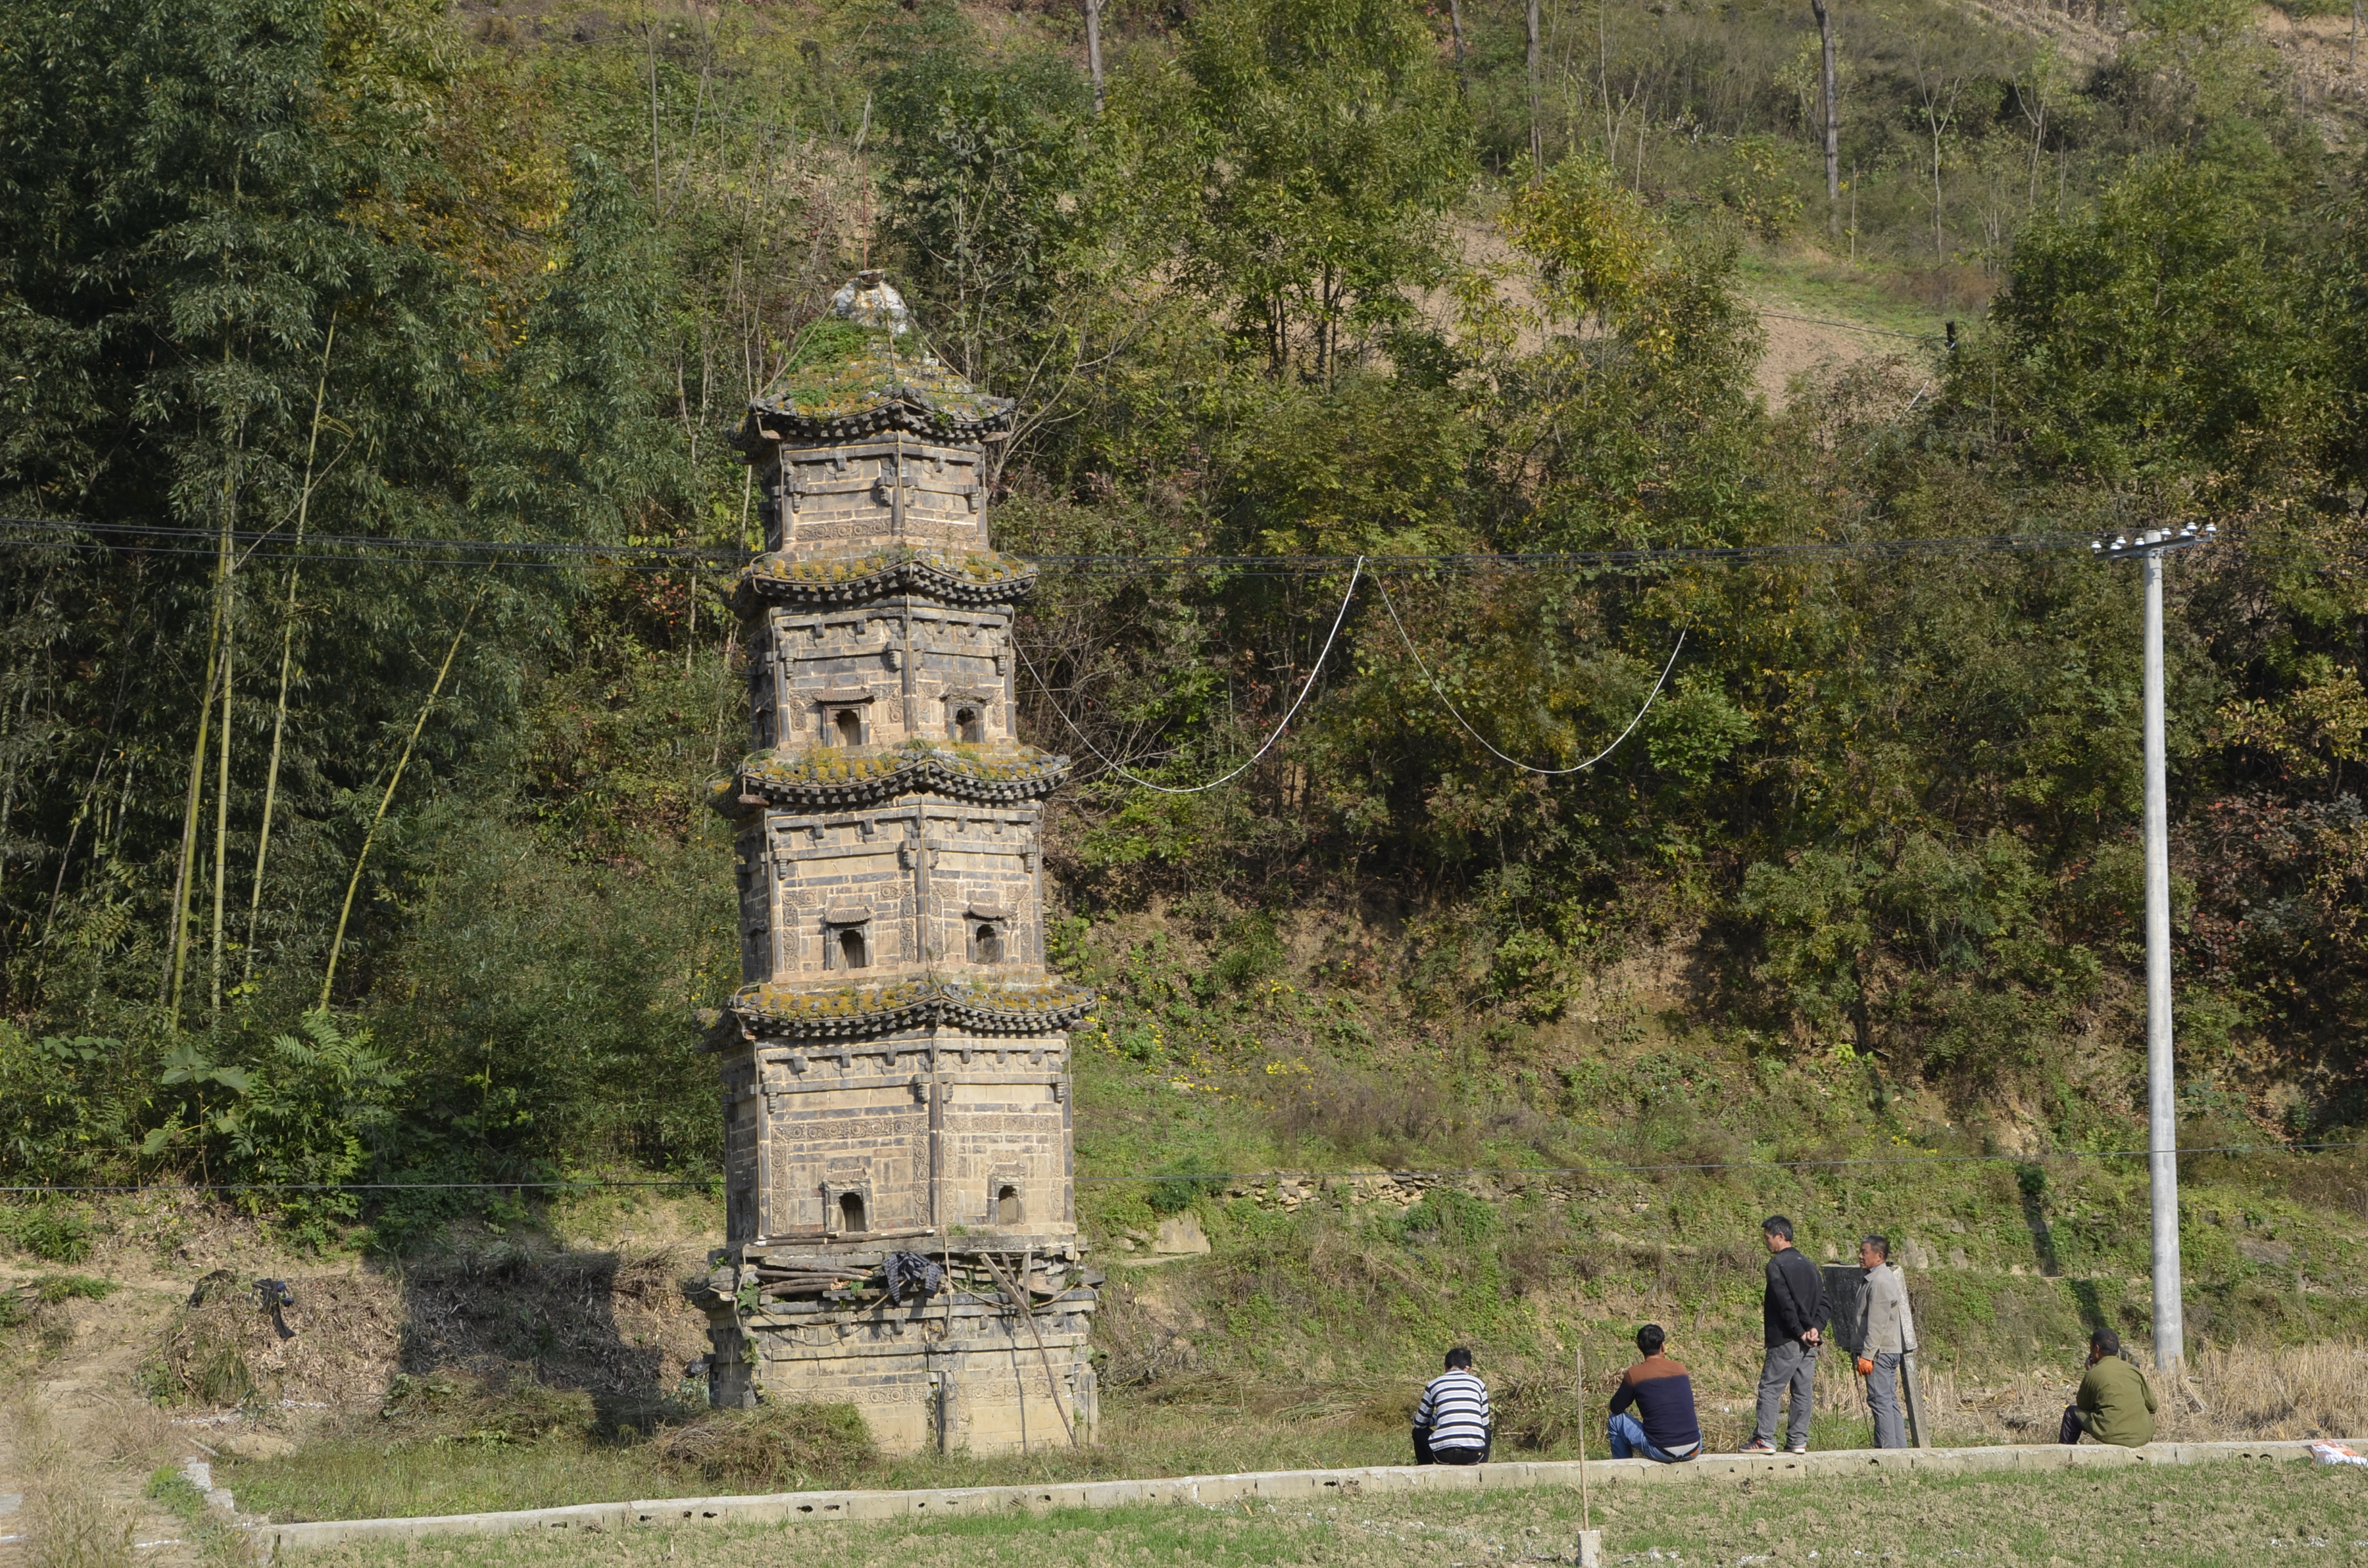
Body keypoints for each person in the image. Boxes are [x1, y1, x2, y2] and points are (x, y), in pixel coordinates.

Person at [1740, 1214, 1827, 1455]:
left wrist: (1800, 1331)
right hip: (1810, 1342)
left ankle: (1765, 1439)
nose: (1765, 1242)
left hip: (1787, 1339)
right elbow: (1825, 1302)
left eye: (1767, 1237)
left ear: (1780, 1236)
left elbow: (1785, 1303)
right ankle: (1798, 1440)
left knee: (1770, 1388)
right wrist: (1815, 1329)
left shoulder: (1777, 1265)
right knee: (1802, 1390)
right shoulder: (1810, 1265)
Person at [1850, 1234, 1918, 1449]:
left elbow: (1877, 1323)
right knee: (1888, 1402)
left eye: (1865, 1253)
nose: (1860, 1256)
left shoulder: (1878, 1281)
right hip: (1888, 1350)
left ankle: (1888, 1453)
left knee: (1880, 1402)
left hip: (1879, 1353)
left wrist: (1867, 1356)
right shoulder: (1881, 1277)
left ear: (1879, 1256)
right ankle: (1899, 1451)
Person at [1606, 1323, 1702, 1463]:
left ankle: (1623, 1468)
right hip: (1695, 1449)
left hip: (1662, 1451)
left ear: (1639, 1347)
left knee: (1615, 1420)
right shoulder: (1681, 1369)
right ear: (1663, 1346)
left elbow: (1616, 1408)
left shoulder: (1635, 1373)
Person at [2059, 1329, 2157, 1447]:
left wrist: (2090, 1371)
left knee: (2071, 1413)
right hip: (2143, 1436)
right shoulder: (2133, 1370)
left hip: (2113, 1434)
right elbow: (2153, 1406)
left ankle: (2065, 1453)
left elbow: (2084, 1406)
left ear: (2096, 1348)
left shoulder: (2093, 1373)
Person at [1413, 1346, 1492, 1465]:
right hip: (1474, 1455)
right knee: (1487, 1432)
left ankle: (1426, 1470)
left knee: (1417, 1432)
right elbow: (1484, 1423)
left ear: (1445, 1366)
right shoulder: (1479, 1385)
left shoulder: (1434, 1385)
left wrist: (1437, 1418)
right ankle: (1482, 1467)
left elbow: (1419, 1423)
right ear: (1468, 1368)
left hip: (1443, 1455)